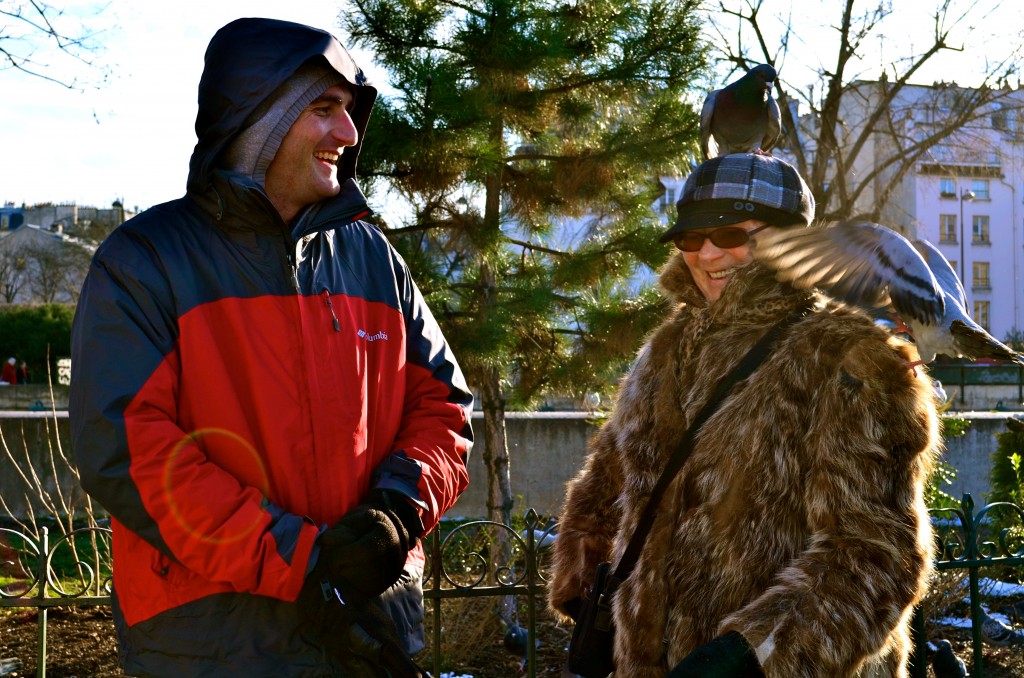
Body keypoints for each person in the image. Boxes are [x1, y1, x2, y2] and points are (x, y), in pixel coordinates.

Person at [69, 17, 473, 678]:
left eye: (348, 111)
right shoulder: (143, 263)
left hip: (368, 632)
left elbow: (444, 408)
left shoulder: (373, 258)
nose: (348, 133)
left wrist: (397, 511)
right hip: (213, 646)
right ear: (257, 120)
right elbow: (127, 450)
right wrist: (302, 560)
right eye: (324, 109)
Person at [548, 153, 939, 677]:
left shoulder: (850, 357)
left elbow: (876, 555)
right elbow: (609, 481)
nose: (707, 254)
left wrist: (752, 652)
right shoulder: (663, 351)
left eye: (730, 234)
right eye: (689, 238)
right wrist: (585, 588)